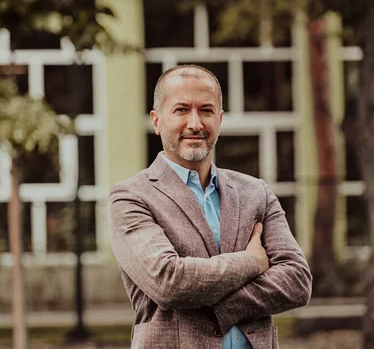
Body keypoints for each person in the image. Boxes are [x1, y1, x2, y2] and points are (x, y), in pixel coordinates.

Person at [108, 64, 312, 349]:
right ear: (157, 121)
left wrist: (222, 307)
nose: (195, 123)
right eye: (181, 110)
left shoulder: (255, 192)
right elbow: (169, 282)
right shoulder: (131, 197)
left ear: (220, 118)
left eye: (206, 110)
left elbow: (297, 280)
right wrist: (252, 262)